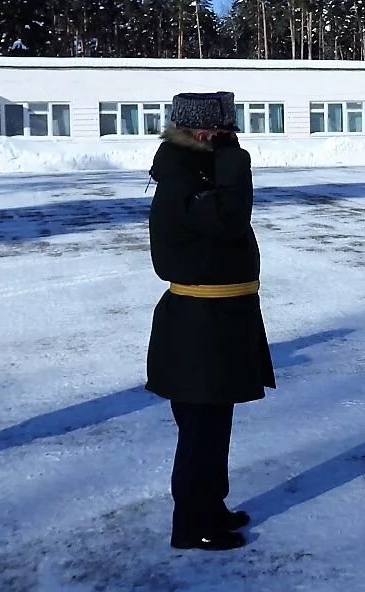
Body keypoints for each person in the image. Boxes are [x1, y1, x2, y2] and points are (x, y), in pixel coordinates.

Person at [147, 91, 275, 551]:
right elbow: (230, 219)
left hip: (216, 319)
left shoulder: (195, 170)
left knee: (213, 424)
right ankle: (191, 523)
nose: (225, 139)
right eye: (220, 132)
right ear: (198, 131)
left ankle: (210, 506)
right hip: (198, 324)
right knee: (201, 428)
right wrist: (235, 163)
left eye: (228, 132)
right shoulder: (184, 178)